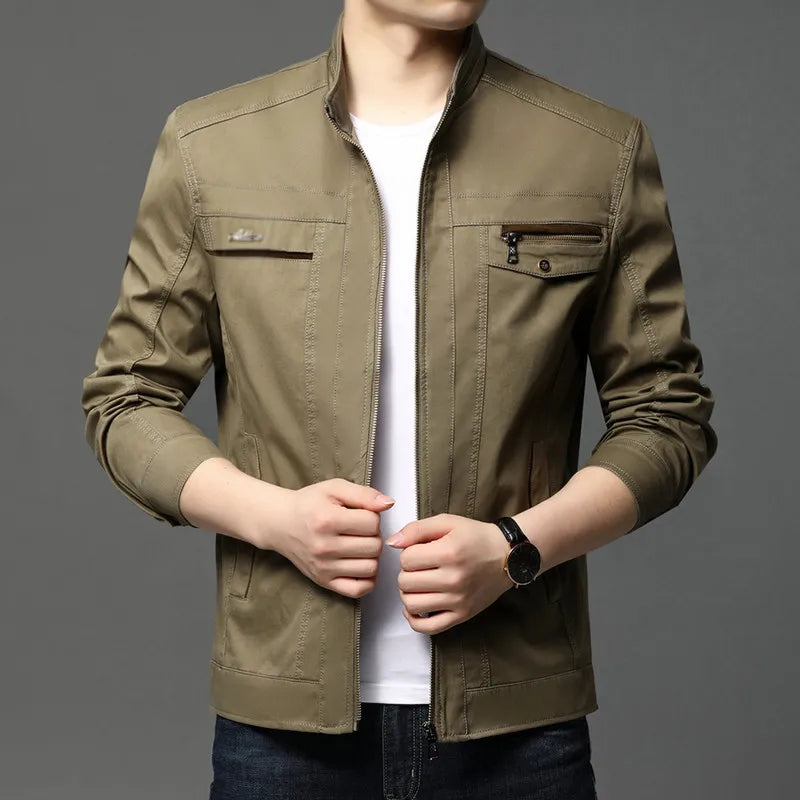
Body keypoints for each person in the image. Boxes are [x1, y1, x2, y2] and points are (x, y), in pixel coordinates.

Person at [80, 1, 718, 797]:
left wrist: (516, 549)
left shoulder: (596, 151)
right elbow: (127, 397)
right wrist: (275, 520)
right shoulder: (211, 146)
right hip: (282, 734)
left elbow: (667, 415)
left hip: (519, 730)